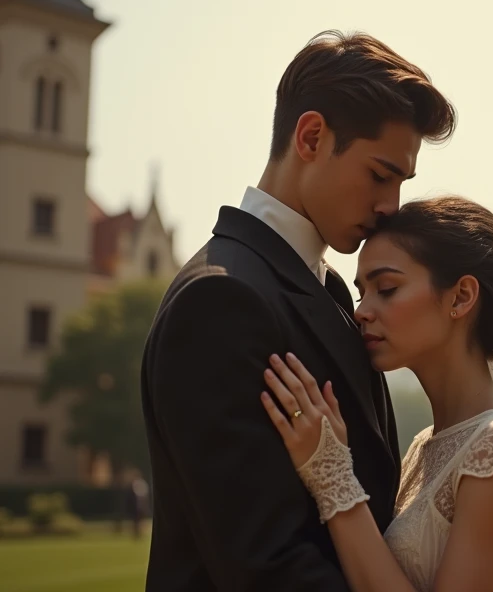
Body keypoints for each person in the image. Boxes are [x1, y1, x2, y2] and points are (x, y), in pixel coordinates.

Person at [140, 30, 456, 591]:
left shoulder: (329, 286)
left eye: (402, 184)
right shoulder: (219, 301)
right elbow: (267, 566)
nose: (391, 208)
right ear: (311, 136)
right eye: (380, 175)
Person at [260, 196, 493, 592]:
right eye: (363, 292)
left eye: (387, 288)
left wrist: (331, 475)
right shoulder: (422, 446)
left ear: (461, 297)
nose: (362, 311)